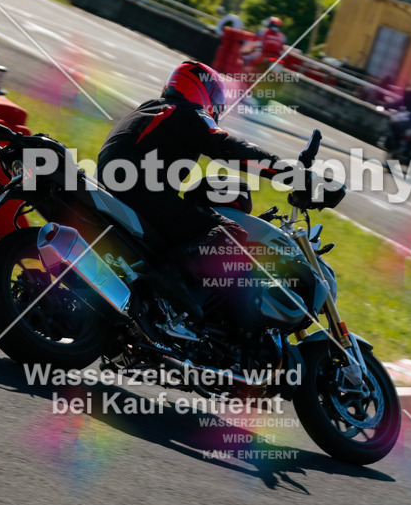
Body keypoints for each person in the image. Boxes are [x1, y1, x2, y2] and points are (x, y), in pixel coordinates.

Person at [96, 60, 295, 324]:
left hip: (118, 184)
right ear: (200, 89)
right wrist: (290, 174)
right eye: (215, 98)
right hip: (138, 184)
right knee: (231, 233)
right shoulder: (187, 112)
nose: (217, 107)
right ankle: (168, 278)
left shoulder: (153, 109)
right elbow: (229, 148)